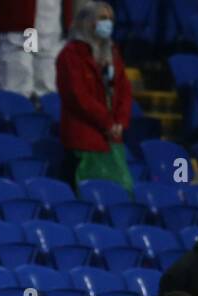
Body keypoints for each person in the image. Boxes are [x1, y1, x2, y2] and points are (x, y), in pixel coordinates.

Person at [56, 2, 133, 191]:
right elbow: (78, 96)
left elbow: (124, 89)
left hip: (112, 139)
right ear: (87, 22)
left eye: (110, 19)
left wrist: (120, 122)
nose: (108, 24)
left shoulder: (112, 53)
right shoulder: (70, 55)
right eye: (102, 19)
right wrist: (107, 123)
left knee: (121, 193)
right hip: (84, 139)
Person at [0, 0, 69, 98]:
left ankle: (40, 108)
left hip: (50, 22)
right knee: (17, 88)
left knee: (46, 87)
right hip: (22, 19)